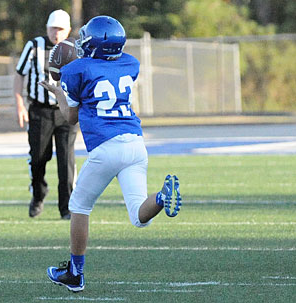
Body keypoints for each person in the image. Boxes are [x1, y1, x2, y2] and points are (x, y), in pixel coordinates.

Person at [39, 15, 182, 292]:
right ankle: (162, 197)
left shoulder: (78, 70)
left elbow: (70, 117)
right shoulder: (129, 64)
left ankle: (75, 273)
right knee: (138, 215)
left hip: (107, 146)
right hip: (135, 144)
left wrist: (58, 91)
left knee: (79, 206)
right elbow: (102, 72)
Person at [14, 9, 78, 220]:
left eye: (60, 29)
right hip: (40, 109)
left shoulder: (75, 49)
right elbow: (19, 74)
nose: (56, 33)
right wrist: (20, 105)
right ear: (47, 28)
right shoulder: (34, 46)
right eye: (53, 28)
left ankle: (66, 208)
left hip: (66, 111)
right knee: (38, 157)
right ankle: (39, 194)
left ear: (68, 30)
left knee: (66, 160)